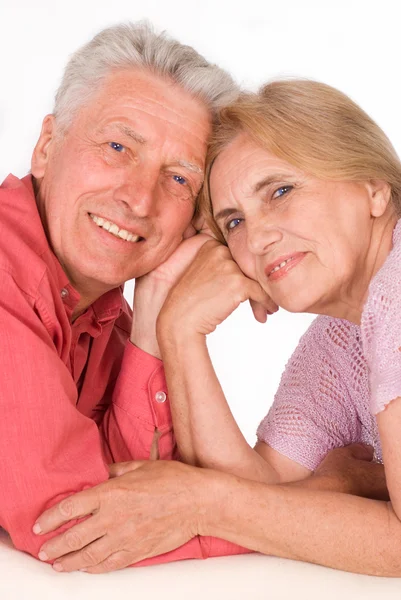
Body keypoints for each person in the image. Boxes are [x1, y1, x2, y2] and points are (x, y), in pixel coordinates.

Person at [34, 80, 397, 576]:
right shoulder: (340, 339)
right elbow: (265, 489)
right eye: (233, 223)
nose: (260, 237)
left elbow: (237, 503)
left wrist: (203, 503)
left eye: (280, 191)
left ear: (374, 188)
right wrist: (180, 331)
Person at [0, 20, 256, 570]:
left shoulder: (104, 314)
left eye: (179, 180)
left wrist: (163, 317)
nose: (139, 200)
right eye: (118, 146)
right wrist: (327, 496)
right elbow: (76, 526)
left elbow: (138, 495)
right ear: (47, 147)